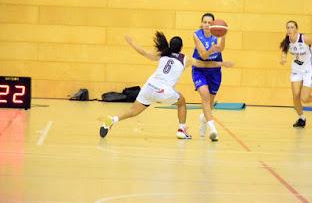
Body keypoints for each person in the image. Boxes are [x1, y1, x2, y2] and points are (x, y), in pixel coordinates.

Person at [98, 31, 232, 139]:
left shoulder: (163, 54)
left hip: (149, 86)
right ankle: (181, 130)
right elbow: (204, 64)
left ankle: (112, 120)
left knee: (133, 111)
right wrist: (222, 64)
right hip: (163, 90)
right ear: (181, 47)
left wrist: (132, 42)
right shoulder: (185, 58)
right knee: (182, 101)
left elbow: (144, 53)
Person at [280, 20, 312, 128]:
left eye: (292, 27)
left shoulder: (305, 38)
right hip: (297, 68)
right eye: (288, 27)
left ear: (296, 29)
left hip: (309, 67)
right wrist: (283, 58)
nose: (290, 29)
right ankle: (301, 118)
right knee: (295, 95)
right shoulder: (287, 41)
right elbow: (284, 50)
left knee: (304, 98)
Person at [192, 13, 227, 142]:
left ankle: (203, 119)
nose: (207, 25)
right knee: (205, 97)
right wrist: (212, 50)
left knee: (209, 103)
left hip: (214, 71)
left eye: (209, 23)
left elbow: (221, 48)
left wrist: (223, 37)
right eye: (204, 22)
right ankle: (213, 130)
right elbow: (204, 55)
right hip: (200, 70)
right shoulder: (197, 35)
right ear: (201, 23)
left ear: (213, 24)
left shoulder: (217, 35)